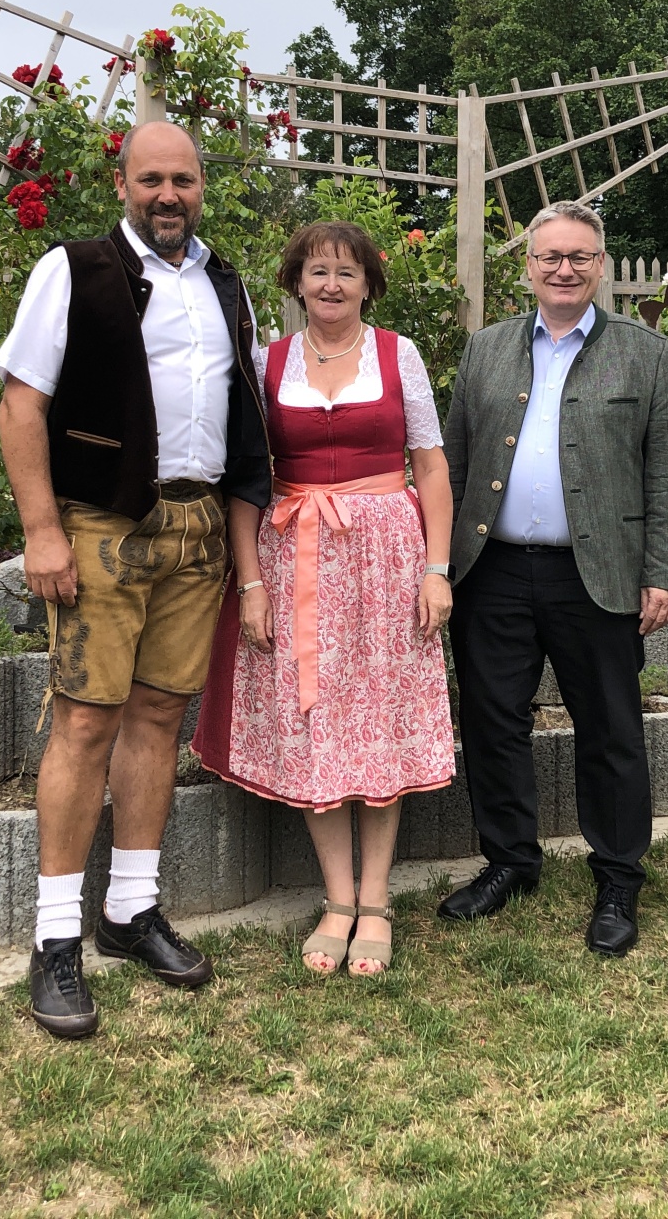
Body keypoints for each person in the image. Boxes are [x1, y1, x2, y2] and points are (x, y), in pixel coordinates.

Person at [0, 120, 271, 1039]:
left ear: (201, 186)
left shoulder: (226, 283)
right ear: (122, 185)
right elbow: (21, 402)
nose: (168, 195)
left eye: (182, 179)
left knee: (158, 715)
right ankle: (55, 937)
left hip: (198, 526)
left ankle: (131, 908)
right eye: (151, 179)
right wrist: (43, 530)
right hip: (105, 524)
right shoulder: (73, 269)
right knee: (85, 720)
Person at [194, 222, 455, 977]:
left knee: (380, 720)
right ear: (297, 284)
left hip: (386, 561)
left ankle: (376, 900)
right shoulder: (267, 362)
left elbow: (431, 468)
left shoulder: (399, 354)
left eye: (347, 272)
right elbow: (245, 481)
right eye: (318, 271)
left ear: (368, 284)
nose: (332, 284)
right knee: (315, 726)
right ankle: (338, 899)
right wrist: (249, 582)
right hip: (294, 560)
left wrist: (436, 569)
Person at [439, 199, 668, 956]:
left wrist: (665, 572)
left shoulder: (645, 354)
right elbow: (452, 463)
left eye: (579, 256)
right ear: (528, 266)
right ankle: (510, 862)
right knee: (493, 721)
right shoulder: (486, 348)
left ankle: (617, 877)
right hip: (493, 570)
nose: (564, 269)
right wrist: (439, 564)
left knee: (610, 729)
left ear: (601, 267)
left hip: (600, 573)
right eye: (550, 256)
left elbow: (665, 475)